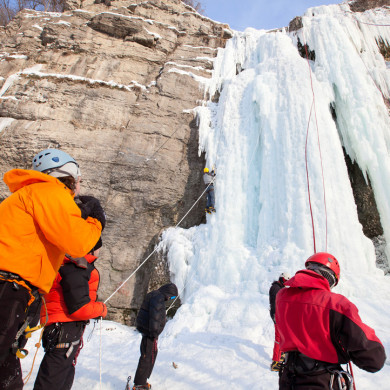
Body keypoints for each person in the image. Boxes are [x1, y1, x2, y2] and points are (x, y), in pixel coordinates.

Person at [0, 148, 104, 389]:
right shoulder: (48, 190)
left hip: (15, 288)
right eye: (77, 182)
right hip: (10, 288)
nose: (79, 189)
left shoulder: (29, 195)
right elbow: (78, 242)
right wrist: (96, 218)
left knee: (6, 368)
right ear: (66, 177)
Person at [275, 252, 386, 389]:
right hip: (321, 381)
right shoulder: (337, 304)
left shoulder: (282, 297)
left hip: (288, 379)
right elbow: (374, 359)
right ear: (331, 279)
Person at [33, 205, 107, 390]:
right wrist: (101, 309)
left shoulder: (73, 264)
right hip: (64, 330)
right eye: (98, 247)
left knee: (61, 378)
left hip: (63, 330)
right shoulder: (76, 267)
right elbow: (79, 308)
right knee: (52, 381)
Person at [132, 283, 178, 390]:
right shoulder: (158, 298)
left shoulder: (155, 295)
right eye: (171, 296)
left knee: (149, 355)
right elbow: (155, 317)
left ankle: (142, 381)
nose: (170, 299)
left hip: (148, 332)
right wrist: (154, 333)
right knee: (146, 357)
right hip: (150, 334)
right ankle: (139, 384)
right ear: (168, 292)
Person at [269, 272, 290, 372]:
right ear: (282, 279)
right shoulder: (276, 288)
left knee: (282, 335)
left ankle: (280, 355)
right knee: (278, 337)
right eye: (285, 281)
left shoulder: (278, 287)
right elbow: (276, 303)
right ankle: (275, 362)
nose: (286, 284)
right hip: (277, 315)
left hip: (278, 314)